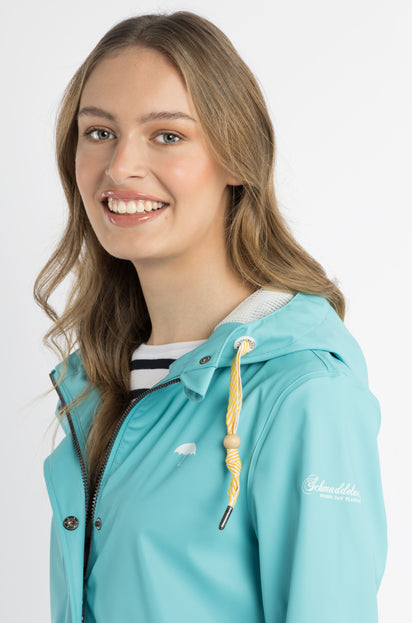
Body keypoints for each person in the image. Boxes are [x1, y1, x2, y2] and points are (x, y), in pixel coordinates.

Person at [35, 11, 387, 623]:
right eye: (99, 132)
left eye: (167, 135)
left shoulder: (303, 393)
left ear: (237, 159)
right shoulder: (100, 383)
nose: (120, 167)